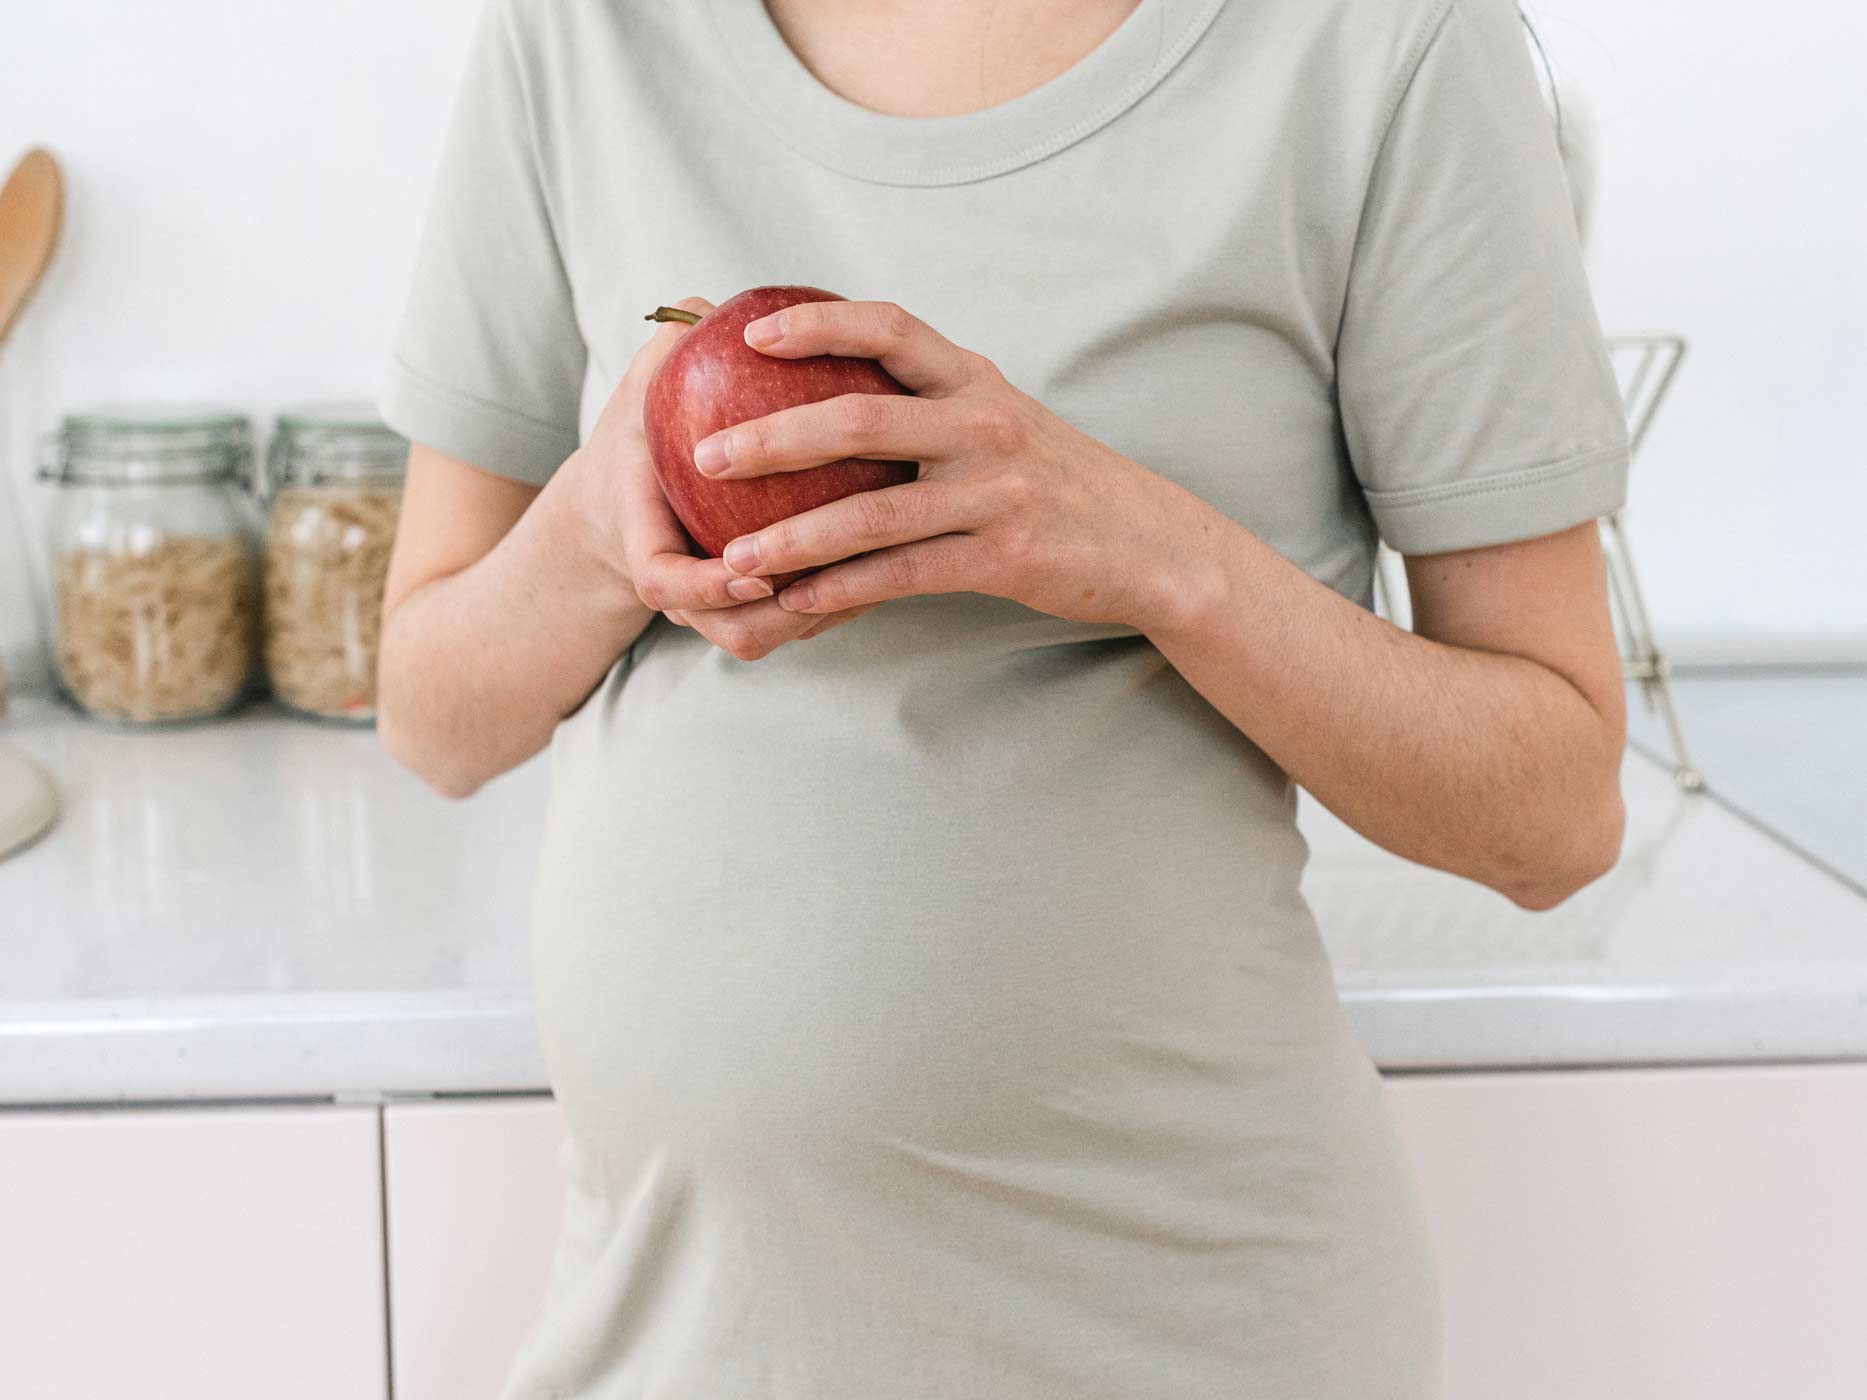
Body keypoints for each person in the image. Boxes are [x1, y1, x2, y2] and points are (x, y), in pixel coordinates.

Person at [375, 0, 1630, 1395]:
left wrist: (1157, 555)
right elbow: (432, 720)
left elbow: (1555, 816)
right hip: (673, 1336)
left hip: (1180, 1332)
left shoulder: (1385, 47)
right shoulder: (582, 34)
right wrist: (598, 532)